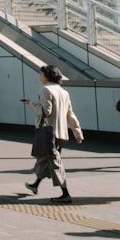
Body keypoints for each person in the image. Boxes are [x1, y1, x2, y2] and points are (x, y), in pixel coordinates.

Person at [22, 64, 83, 203]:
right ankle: (35, 185)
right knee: (46, 160)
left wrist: (31, 104)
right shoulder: (64, 92)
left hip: (49, 133)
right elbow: (70, 114)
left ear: (46, 76)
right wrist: (77, 131)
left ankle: (66, 193)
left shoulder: (46, 90)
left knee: (55, 163)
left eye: (41, 74)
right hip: (61, 133)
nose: (40, 76)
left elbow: (45, 112)